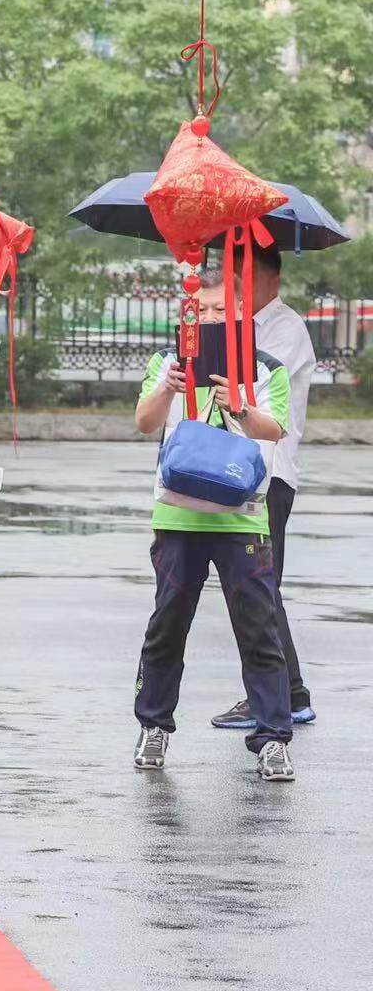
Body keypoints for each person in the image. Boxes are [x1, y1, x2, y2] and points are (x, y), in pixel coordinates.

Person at [131, 277, 295, 781]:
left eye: (220, 308)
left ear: (242, 313)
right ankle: (154, 724)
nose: (208, 317)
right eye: (200, 309)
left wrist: (239, 405)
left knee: (257, 627)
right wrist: (167, 387)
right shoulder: (167, 362)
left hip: (241, 515)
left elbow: (276, 428)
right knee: (167, 624)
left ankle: (272, 737)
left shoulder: (265, 369)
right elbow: (144, 421)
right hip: (178, 516)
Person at [210, 243, 318, 730]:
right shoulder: (241, 324)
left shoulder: (286, 328)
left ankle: (279, 696)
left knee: (258, 586)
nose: (234, 289)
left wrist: (227, 337)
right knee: (254, 586)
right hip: (240, 466)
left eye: (241, 279)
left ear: (270, 278)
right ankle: (288, 692)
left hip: (270, 472)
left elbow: (253, 380)